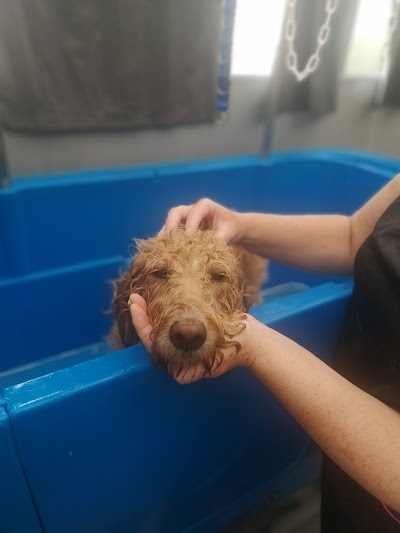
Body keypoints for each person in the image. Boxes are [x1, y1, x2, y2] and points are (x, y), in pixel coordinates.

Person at [129, 175, 400, 531]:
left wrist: (255, 344)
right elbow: (354, 235)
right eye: (161, 273)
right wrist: (240, 225)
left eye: (217, 278)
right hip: (351, 424)